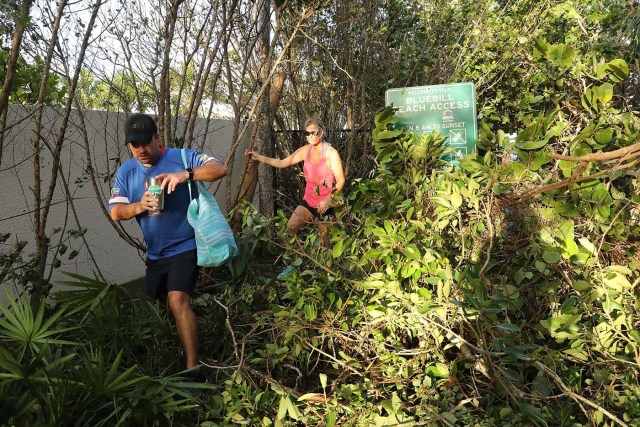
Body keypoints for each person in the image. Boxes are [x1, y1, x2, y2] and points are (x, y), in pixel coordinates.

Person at [108, 113, 228, 371]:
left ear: (157, 137)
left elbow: (220, 169)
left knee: (177, 300)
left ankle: (193, 369)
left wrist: (186, 175)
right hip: (156, 253)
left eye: (145, 143)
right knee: (166, 303)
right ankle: (180, 345)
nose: (141, 150)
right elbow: (115, 212)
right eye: (134, 145)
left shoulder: (181, 157)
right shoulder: (127, 171)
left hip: (186, 244)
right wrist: (139, 205)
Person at [244, 117, 345, 248]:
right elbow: (282, 163)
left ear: (321, 132)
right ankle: (293, 264)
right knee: (290, 229)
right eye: (307, 133)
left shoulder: (331, 153)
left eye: (314, 132)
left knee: (325, 244)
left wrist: (328, 199)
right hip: (309, 201)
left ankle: (322, 266)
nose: (310, 136)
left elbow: (341, 180)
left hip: (326, 205)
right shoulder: (305, 150)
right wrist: (258, 157)